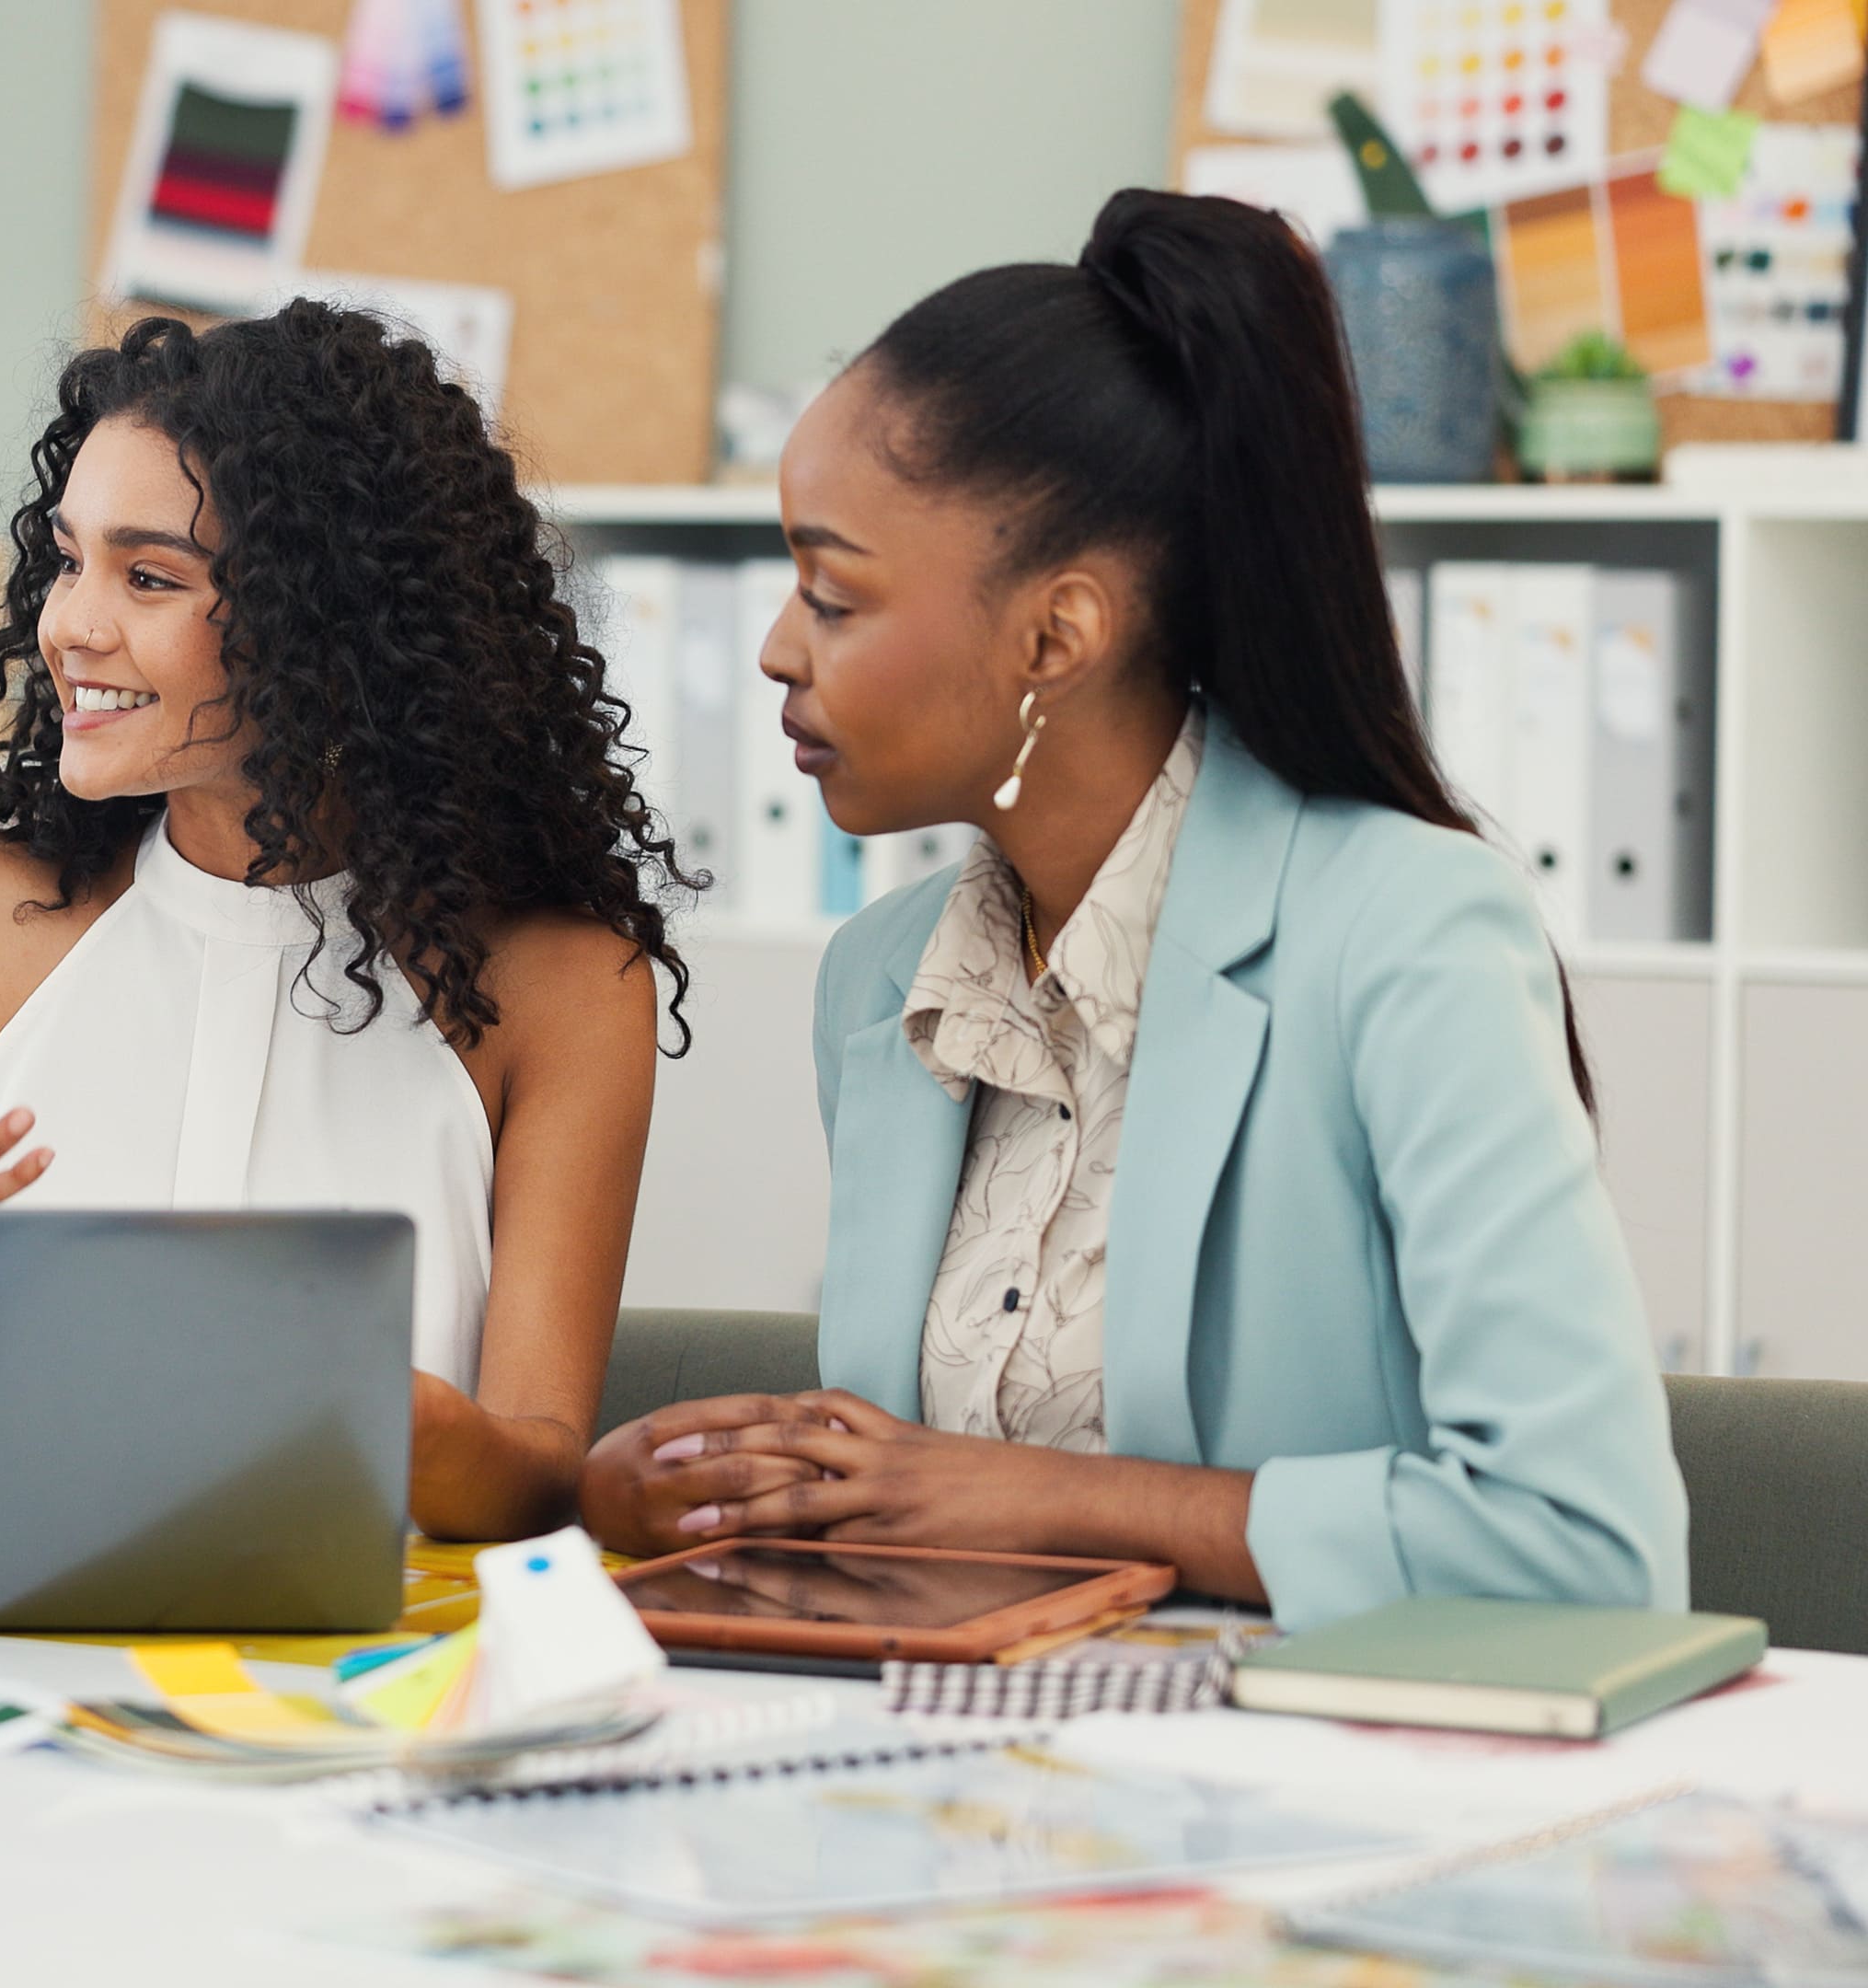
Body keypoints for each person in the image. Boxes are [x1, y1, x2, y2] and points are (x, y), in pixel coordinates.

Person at [577, 191, 1686, 1629]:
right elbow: (926, 1525)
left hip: (1311, 1751)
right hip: (972, 1749)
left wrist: (1052, 1501)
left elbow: (1586, 1545)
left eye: (832, 597)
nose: (780, 650)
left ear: (1058, 635)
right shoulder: (883, 984)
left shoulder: (1405, 934)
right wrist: (715, 1497)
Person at [0, 304, 690, 1543]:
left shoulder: (560, 987)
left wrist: (384, 1412)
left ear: (329, 624)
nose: (69, 625)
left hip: (367, 1643)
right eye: (68, 559)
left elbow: (538, 1476)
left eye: (150, 577)